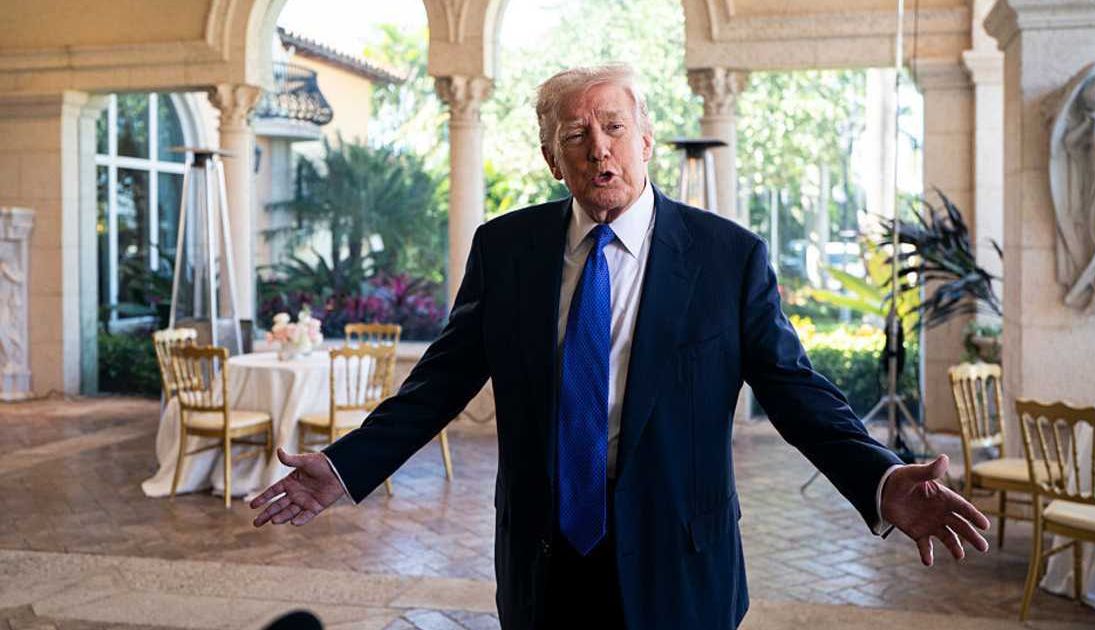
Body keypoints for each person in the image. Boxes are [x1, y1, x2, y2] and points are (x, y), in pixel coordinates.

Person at [250, 64, 989, 630]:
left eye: (612, 127)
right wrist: (348, 467)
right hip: (545, 559)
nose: (597, 148)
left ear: (645, 141)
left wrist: (881, 479)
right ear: (551, 156)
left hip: (681, 563)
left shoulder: (727, 257)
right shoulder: (506, 250)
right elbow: (438, 385)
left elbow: (795, 391)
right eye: (575, 134)